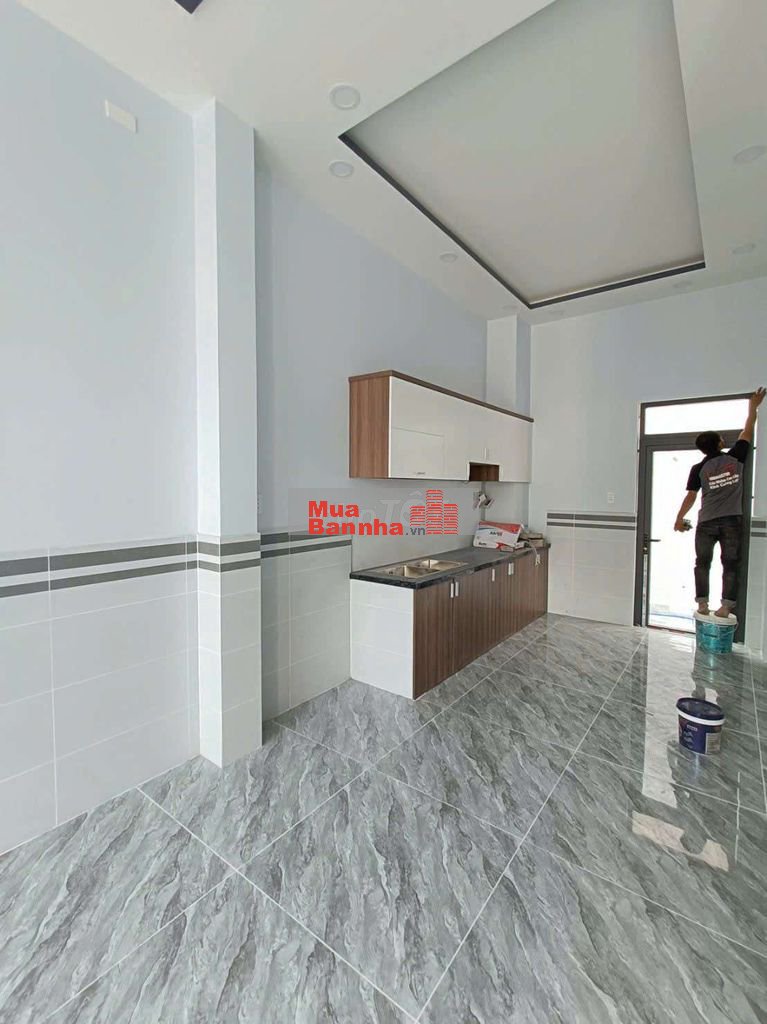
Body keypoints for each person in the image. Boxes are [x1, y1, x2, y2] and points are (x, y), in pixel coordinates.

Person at [673, 387, 765, 618]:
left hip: (706, 522)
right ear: (719, 443)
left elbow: (691, 496)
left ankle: (702, 604)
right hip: (732, 521)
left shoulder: (698, 468)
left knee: (702, 563)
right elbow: (747, 430)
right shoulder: (735, 457)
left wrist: (678, 519)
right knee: (730, 564)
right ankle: (725, 607)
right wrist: (753, 407)